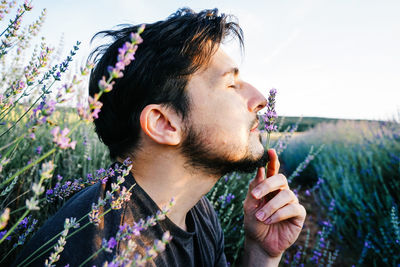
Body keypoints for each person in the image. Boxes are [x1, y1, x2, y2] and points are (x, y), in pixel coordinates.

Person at [14, 8, 306, 266]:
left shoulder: (195, 209)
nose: (259, 99)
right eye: (231, 85)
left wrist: (262, 253)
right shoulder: (105, 254)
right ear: (164, 123)